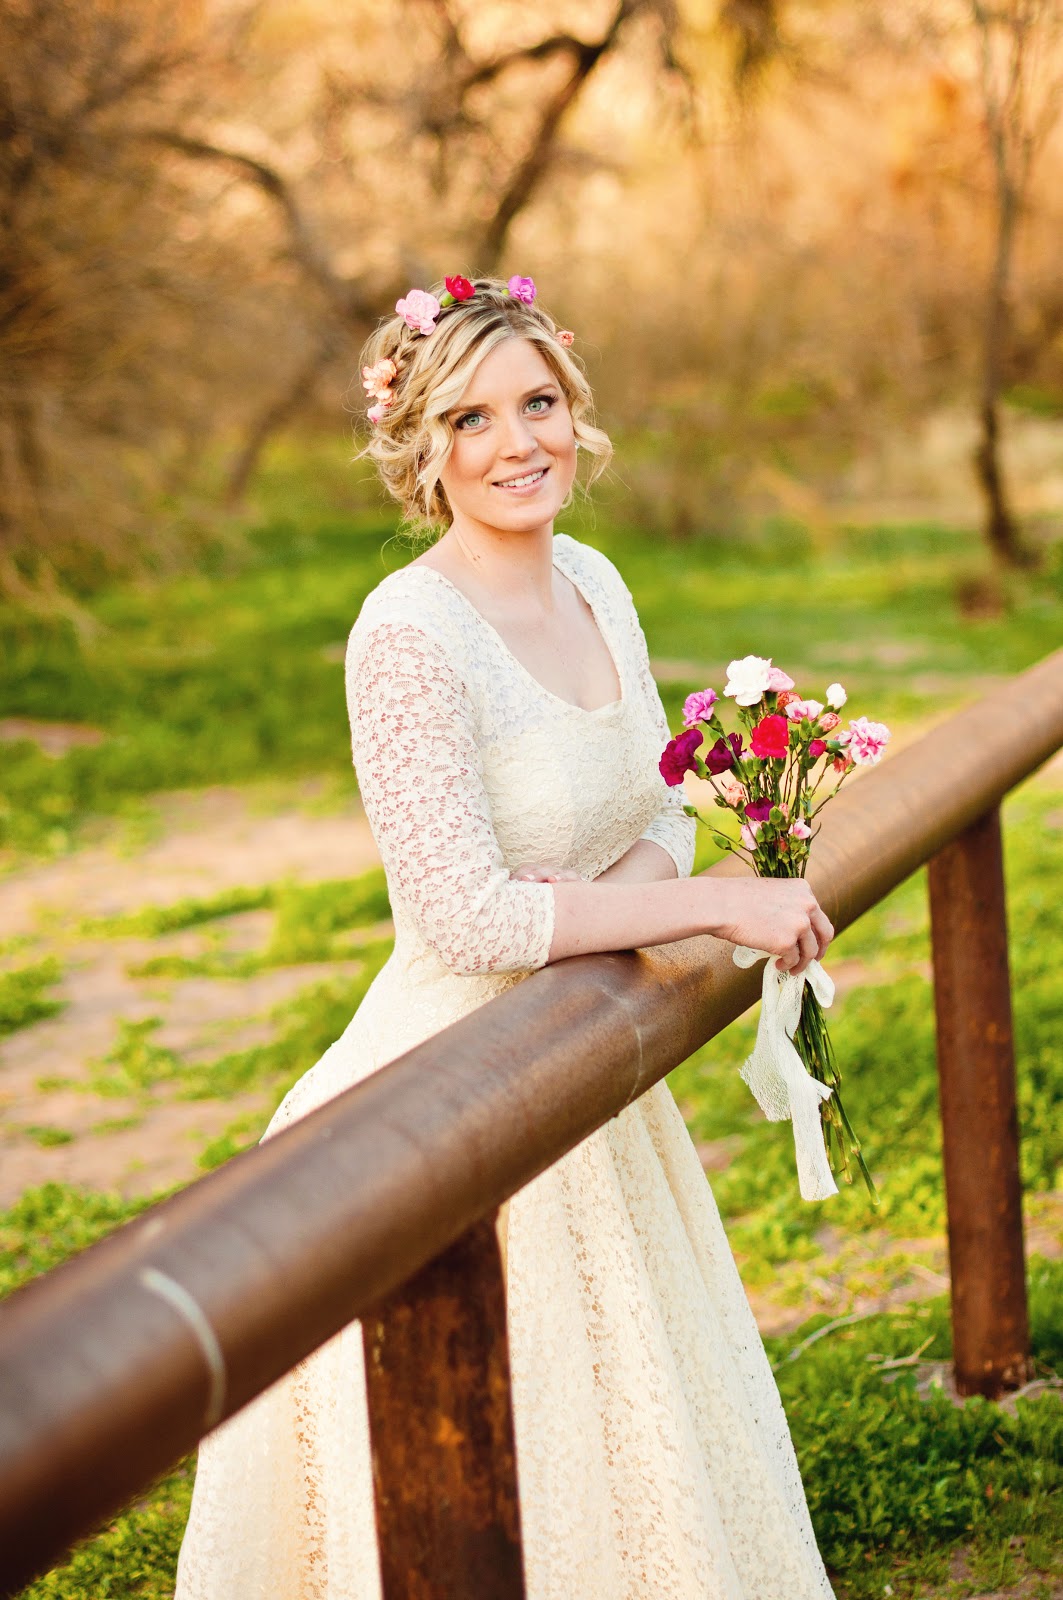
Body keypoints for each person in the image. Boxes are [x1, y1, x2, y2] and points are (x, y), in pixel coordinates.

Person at [175, 275, 836, 1599]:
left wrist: (597, 912)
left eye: (538, 403)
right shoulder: (408, 637)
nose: (517, 442)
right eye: (472, 419)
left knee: (637, 1422)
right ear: (425, 448)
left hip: (577, 1044)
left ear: (575, 413)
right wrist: (707, 906)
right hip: (450, 1076)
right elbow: (464, 915)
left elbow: (663, 800)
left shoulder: (594, 578)